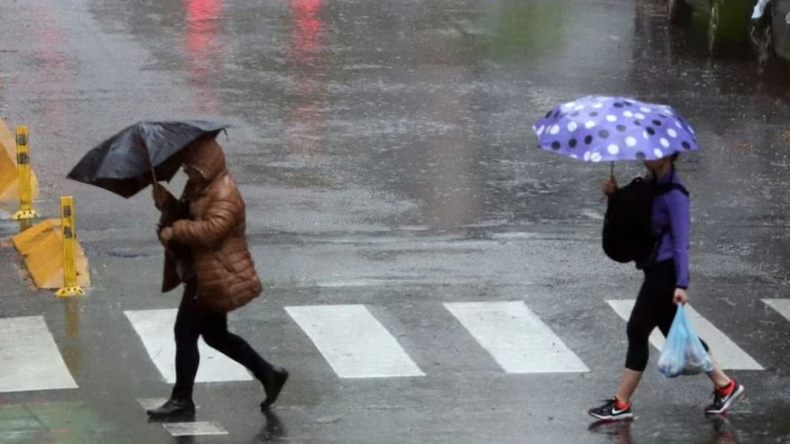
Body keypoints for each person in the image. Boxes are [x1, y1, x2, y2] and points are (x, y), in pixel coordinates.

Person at [588, 153, 744, 421]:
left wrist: (682, 283)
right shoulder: (651, 186)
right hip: (653, 269)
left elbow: (682, 243)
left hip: (666, 273)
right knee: (675, 331)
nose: (647, 156)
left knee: (636, 328)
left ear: (670, 156)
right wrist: (613, 195)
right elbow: (634, 217)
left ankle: (621, 403)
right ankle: (725, 385)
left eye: (655, 152)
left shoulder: (675, 194)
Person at [147, 135, 289, 418]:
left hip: (213, 275)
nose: (187, 172)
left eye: (192, 167)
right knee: (215, 335)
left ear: (206, 166)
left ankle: (182, 399)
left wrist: (177, 231)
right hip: (203, 272)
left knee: (185, 333)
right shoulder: (200, 187)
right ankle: (268, 373)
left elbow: (212, 230)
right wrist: (167, 204)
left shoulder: (225, 193)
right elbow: (186, 215)